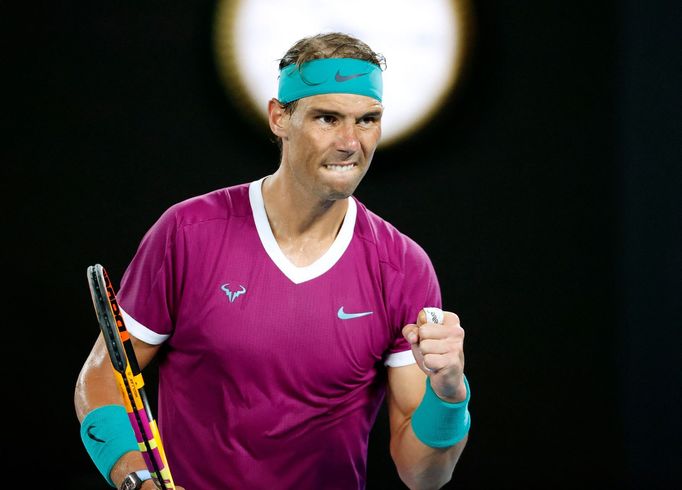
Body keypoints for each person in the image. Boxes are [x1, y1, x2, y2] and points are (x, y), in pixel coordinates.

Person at [75, 32, 471, 490]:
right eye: (328, 118)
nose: (350, 142)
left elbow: (423, 477)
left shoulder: (404, 269)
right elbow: (102, 379)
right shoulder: (187, 234)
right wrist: (137, 481)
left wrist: (450, 395)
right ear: (280, 118)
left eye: (367, 120)